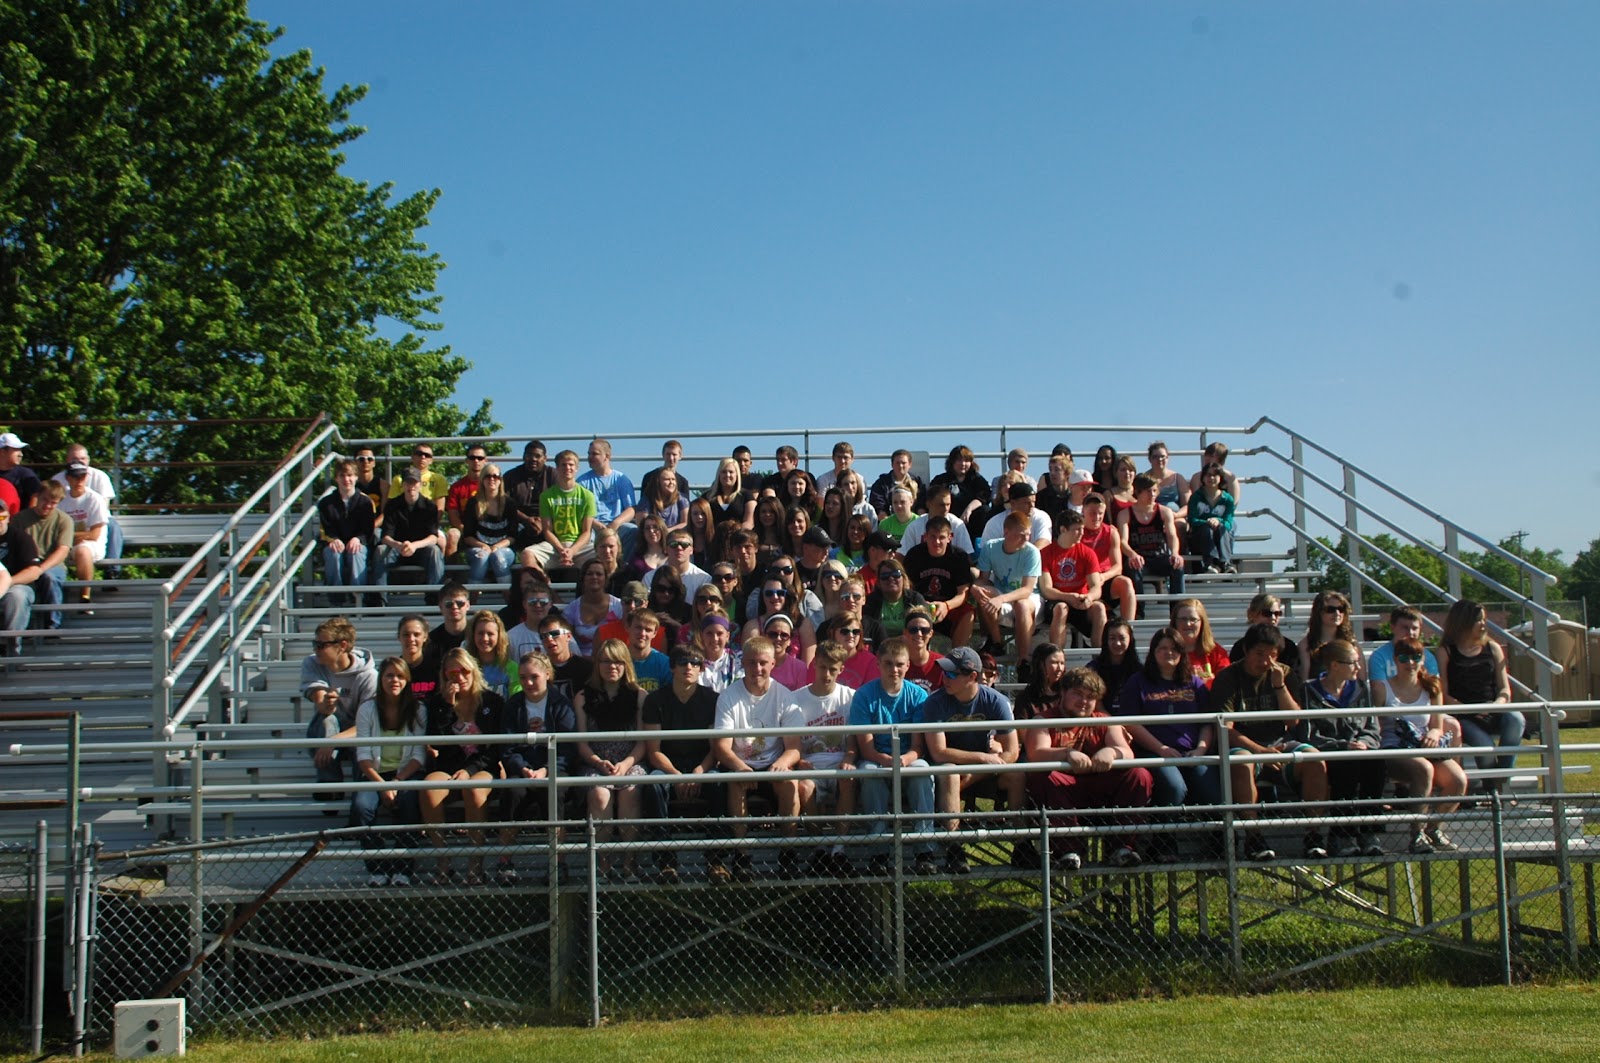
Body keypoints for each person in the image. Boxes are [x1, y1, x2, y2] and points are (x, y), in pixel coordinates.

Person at [1212, 624, 1326, 861]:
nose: (1265, 661)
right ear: (1246, 650)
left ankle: (1314, 835)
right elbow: (1225, 729)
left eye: (1272, 655)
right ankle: (1254, 837)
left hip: (1280, 744)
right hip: (1246, 746)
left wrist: (1279, 685)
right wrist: (1261, 751)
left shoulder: (1283, 673)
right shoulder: (1228, 677)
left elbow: (1293, 720)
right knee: (1242, 762)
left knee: (1315, 759)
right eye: (1260, 654)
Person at [1023, 667, 1153, 870]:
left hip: (1102, 790)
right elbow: (1036, 753)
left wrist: (1111, 752)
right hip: (1065, 792)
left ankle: (1122, 848)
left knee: (1140, 774)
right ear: (1063, 692)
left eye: (1091, 697)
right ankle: (1069, 850)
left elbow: (1126, 752)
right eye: (1078, 694)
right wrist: (1066, 754)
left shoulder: (1104, 721)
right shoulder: (1043, 720)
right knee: (1044, 777)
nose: (1084, 701)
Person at [1116, 627, 1218, 857]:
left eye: (1173, 648)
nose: (1168, 653)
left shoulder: (1194, 683)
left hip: (1192, 751)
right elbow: (1130, 723)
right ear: (1153, 652)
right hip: (1154, 751)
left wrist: (1201, 748)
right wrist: (1160, 748)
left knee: (1211, 787)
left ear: (1182, 652)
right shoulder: (1138, 682)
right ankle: (1163, 841)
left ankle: (1218, 841)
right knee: (1173, 787)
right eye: (1162, 648)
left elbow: (1207, 722)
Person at [924, 646, 1025, 874]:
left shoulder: (996, 701)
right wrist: (982, 758)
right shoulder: (935, 702)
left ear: (972, 677)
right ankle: (954, 847)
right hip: (950, 772)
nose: (945, 678)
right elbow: (939, 752)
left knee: (1017, 773)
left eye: (952, 674)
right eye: (944, 672)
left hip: (982, 772)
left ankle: (1022, 843)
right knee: (950, 772)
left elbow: (1012, 752)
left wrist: (979, 769)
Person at [713, 635, 806, 880]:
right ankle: (742, 856)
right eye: (752, 662)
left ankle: (788, 853)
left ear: (773, 664)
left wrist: (782, 763)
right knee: (736, 781)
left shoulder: (785, 696)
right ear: (743, 663)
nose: (758, 668)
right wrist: (741, 768)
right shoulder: (728, 696)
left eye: (763, 663)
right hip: (741, 762)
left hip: (772, 763)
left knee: (790, 782)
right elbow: (722, 747)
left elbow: (794, 747)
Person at [849, 638, 937, 875]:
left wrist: (905, 760)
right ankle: (879, 852)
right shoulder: (864, 696)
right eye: (888, 664)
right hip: (876, 757)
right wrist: (886, 761)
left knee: (922, 771)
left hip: (907, 757)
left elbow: (919, 746)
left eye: (899, 664)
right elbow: (866, 748)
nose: (894, 670)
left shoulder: (919, 696)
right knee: (870, 774)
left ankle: (924, 849)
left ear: (908, 665)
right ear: (878, 664)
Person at [1373, 636, 1465, 853]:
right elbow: (1373, 726)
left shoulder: (1432, 687)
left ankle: (1433, 829)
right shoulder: (1381, 688)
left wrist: (1434, 732)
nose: (1410, 663)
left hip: (1425, 748)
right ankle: (1417, 834)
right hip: (1394, 750)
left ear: (1423, 659)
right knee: (1423, 769)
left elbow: (1437, 724)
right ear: (1395, 660)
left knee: (1458, 779)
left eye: (1416, 657)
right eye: (1404, 658)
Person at [420, 649, 503, 884]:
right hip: (449, 765)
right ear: (445, 676)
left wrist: (470, 770)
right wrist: (448, 706)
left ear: (473, 671)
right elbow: (436, 742)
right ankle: (443, 860)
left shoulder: (492, 701)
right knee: (427, 788)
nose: (459, 677)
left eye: (464, 671)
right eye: (452, 673)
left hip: (482, 766)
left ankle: (475, 863)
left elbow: (495, 749)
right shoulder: (436, 703)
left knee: (474, 789)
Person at [494, 649, 577, 885]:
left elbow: (567, 747)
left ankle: (557, 864)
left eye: (534, 677)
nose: (528, 683)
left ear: (547, 675)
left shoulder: (561, 704)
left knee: (555, 793)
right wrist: (522, 768)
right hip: (523, 768)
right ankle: (505, 863)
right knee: (512, 793)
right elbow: (508, 746)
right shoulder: (513, 705)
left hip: (552, 767)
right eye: (523, 678)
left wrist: (547, 770)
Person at [1298, 638, 1385, 856]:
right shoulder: (1310, 691)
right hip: (1331, 754)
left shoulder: (1361, 689)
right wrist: (1342, 745)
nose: (1358, 667)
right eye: (1353, 662)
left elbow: (1373, 727)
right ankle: (1341, 833)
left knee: (1376, 762)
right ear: (1335, 665)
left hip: (1360, 751)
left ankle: (1368, 830)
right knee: (1346, 765)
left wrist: (1364, 743)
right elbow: (1309, 734)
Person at [643, 643, 721, 883]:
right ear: (672, 668)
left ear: (701, 668)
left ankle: (716, 860)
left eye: (695, 663)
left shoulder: (713, 699)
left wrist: (699, 771)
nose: (689, 667)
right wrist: (676, 775)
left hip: (704, 764)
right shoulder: (654, 700)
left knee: (721, 783)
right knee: (653, 785)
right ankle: (666, 861)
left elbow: (716, 748)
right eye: (683, 662)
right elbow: (653, 751)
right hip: (667, 765)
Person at [575, 638, 648, 880]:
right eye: (605, 661)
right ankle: (602, 862)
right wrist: (598, 762)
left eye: (617, 661)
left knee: (630, 791)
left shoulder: (639, 696)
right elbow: (582, 743)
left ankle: (629, 862)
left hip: (630, 760)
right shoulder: (583, 697)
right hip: (596, 761)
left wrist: (625, 764)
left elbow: (642, 742)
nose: (611, 666)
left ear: (626, 664)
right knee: (600, 794)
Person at [350, 656, 426, 886]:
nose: (394, 680)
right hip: (374, 774)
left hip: (405, 773)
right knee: (361, 808)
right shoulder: (367, 708)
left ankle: (403, 869)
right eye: (389, 675)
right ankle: (378, 867)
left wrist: (396, 782)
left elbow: (418, 756)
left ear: (407, 680)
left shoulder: (418, 708)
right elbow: (362, 756)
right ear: (381, 679)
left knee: (412, 804)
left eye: (400, 676)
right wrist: (382, 785)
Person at [790, 641, 860, 875]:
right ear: (814, 665)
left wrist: (849, 757)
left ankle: (839, 849)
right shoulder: (796, 699)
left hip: (840, 761)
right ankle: (820, 847)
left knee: (848, 779)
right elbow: (793, 744)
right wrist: (799, 760)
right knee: (804, 786)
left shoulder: (850, 697)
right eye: (822, 667)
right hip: (810, 764)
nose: (826, 674)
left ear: (841, 669)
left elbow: (852, 743)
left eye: (832, 668)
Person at [1436, 598, 1520, 782]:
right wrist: (1472, 710)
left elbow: (1505, 688)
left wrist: (1497, 705)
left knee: (1517, 719)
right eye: (1477, 620)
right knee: (1484, 744)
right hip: (1463, 713)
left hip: (1493, 708)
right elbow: (1443, 694)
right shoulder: (1446, 652)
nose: (1483, 624)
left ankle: (1502, 778)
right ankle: (1493, 787)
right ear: (1463, 622)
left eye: (1484, 619)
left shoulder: (1493, 648)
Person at [300, 617, 379, 795]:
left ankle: (363, 789)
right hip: (327, 728)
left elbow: (367, 723)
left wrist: (332, 741)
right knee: (327, 720)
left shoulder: (369, 676)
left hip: (359, 731)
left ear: (342, 645)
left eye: (321, 645)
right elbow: (322, 706)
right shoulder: (312, 663)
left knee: (366, 739)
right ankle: (330, 785)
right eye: (315, 643)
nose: (315, 649)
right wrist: (327, 703)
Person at [973, 512, 1041, 659]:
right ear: (1006, 532)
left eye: (1028, 535)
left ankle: (1023, 659)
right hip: (1003, 593)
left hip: (1029, 599)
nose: (1025, 539)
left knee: (1021, 605)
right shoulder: (991, 547)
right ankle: (996, 642)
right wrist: (975, 588)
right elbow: (983, 580)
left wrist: (1001, 599)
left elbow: (1027, 590)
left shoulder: (1032, 552)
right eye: (1021, 535)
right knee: (983, 592)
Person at [900, 515, 975, 648]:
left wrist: (946, 606)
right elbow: (907, 589)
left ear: (950, 537)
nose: (937, 542)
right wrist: (921, 604)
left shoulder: (959, 557)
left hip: (949, 605)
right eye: (933, 537)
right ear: (925, 537)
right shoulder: (914, 555)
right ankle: (916, 655)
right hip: (920, 605)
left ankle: (956, 656)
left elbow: (963, 594)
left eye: (941, 537)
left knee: (968, 612)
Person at [1039, 511, 1107, 648]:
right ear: (1063, 529)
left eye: (1083, 529)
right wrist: (1068, 597)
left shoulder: (1087, 553)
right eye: (1077, 529)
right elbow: (1046, 589)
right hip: (1057, 601)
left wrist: (1089, 597)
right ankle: (1057, 655)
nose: (1082, 533)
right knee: (1061, 608)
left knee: (1099, 607)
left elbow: (1096, 586)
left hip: (1081, 601)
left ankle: (1100, 656)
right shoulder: (1045, 553)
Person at [375, 467, 446, 590]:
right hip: (397, 549)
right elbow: (385, 536)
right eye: (408, 482)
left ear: (420, 484)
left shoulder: (430, 506)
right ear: (402, 484)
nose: (411, 486)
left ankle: (434, 600)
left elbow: (433, 537)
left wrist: (414, 545)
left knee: (434, 551)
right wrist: (399, 545)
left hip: (420, 549)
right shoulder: (392, 505)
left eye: (414, 482)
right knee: (381, 551)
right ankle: (379, 600)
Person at [528, 449, 598, 572]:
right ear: (557, 468)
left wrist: (572, 551)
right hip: (556, 546)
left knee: (604, 552)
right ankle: (543, 584)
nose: (567, 468)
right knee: (527, 554)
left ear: (576, 468)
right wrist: (562, 550)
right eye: (563, 465)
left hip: (580, 547)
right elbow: (547, 530)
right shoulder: (546, 496)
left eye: (571, 464)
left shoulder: (587, 496)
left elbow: (587, 532)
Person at [317, 458, 376, 602]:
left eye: (350, 475)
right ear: (336, 478)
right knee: (333, 554)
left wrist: (358, 539)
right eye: (342, 475)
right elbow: (325, 528)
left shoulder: (366, 502)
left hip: (357, 543)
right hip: (334, 542)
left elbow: (368, 529)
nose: (346, 479)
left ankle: (358, 599)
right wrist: (333, 539)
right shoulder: (326, 503)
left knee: (356, 553)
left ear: (356, 477)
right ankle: (336, 600)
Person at [15, 482, 71, 629]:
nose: (47, 505)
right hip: (26, 565)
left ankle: (53, 625)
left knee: (50, 577)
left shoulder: (64, 520)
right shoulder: (19, 519)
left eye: (53, 503)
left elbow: (63, 550)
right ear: (37, 497)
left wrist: (41, 568)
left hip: (52, 565)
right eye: (45, 500)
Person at [1118, 474, 1184, 600]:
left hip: (1159, 557)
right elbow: (1122, 541)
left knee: (1177, 565)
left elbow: (1172, 536)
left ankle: (1177, 609)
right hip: (1139, 558)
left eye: (1154, 491)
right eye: (1148, 491)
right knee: (1133, 566)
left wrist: (1175, 553)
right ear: (1138, 491)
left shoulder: (1164, 511)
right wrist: (1132, 555)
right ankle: (1139, 612)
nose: (1152, 495)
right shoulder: (1125, 514)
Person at [52, 442, 122, 559]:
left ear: (88, 460)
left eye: (83, 458)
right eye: (75, 458)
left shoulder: (100, 476)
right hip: (68, 519)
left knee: (112, 526)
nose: (79, 461)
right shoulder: (57, 479)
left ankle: (112, 569)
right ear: (67, 460)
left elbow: (104, 506)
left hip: (95, 519)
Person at [57, 462, 108, 610]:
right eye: (75, 477)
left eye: (83, 476)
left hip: (91, 544)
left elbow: (94, 534)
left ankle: (85, 596)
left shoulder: (95, 499)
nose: (79, 480)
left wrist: (68, 535)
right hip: (66, 542)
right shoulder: (61, 499)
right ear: (68, 478)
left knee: (82, 551)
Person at [578, 438, 639, 558]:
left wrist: (616, 523)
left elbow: (631, 509)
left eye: (594, 454)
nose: (590, 457)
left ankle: (623, 567)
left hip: (617, 525)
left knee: (634, 532)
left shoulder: (621, 479)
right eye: (589, 454)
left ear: (607, 456)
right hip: (592, 526)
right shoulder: (582, 482)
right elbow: (579, 510)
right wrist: (596, 524)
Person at [1079, 495, 1134, 626]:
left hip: (1104, 577)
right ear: (1083, 511)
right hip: (1083, 581)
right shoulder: (1077, 530)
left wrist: (1103, 576)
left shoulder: (1110, 532)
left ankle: (1128, 627)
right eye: (1092, 513)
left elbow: (1117, 567)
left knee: (1126, 582)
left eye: (1100, 513)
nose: (1097, 517)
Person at [0, 497, 45, 655]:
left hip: (18, 585)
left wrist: (6, 583)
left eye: (1, 516)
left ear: (8, 517)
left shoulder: (20, 537)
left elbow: (34, 571)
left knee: (16, 596)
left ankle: (11, 648)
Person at [461, 463, 516, 584]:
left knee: (498, 557)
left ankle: (509, 599)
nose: (492, 479)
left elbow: (512, 536)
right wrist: (484, 547)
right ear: (482, 479)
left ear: (500, 480)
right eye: (487, 476)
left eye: (495, 476)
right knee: (482, 557)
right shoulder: (473, 503)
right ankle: (472, 600)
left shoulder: (509, 503)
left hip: (503, 549)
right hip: (478, 548)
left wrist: (496, 547)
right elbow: (468, 536)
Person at [1230, 594, 1304, 682]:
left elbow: (1294, 681)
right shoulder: (1240, 647)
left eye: (1277, 613)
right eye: (1267, 613)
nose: (1273, 618)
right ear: (1252, 614)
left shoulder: (1289, 647)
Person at [503, 440, 556, 558]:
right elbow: (504, 503)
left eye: (538, 456)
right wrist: (526, 519)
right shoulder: (510, 476)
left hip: (547, 521)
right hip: (518, 520)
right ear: (523, 457)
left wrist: (542, 522)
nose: (533, 459)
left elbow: (560, 502)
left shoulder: (553, 475)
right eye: (529, 455)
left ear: (545, 458)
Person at [895, 482, 976, 556]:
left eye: (948, 504)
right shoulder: (915, 526)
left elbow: (966, 555)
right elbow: (901, 555)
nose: (945, 509)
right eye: (941, 505)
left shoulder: (957, 525)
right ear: (929, 504)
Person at [562, 558, 623, 657]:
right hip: (582, 662)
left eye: (599, 574)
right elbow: (567, 641)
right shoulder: (571, 610)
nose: (594, 577)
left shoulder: (619, 606)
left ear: (606, 579)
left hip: (613, 659)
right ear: (583, 578)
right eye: (590, 574)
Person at [1299, 591, 1365, 681]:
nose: (1337, 613)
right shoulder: (1306, 645)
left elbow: (1362, 680)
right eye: (1330, 610)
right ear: (1319, 612)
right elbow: (1304, 681)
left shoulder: (1352, 644)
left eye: (1341, 609)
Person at [443, 443, 491, 559]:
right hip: (464, 529)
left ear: (486, 460)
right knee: (452, 534)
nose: (476, 461)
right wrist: (465, 529)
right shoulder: (457, 487)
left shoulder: (493, 485)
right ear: (466, 461)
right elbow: (452, 513)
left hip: (488, 528)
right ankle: (451, 575)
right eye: (472, 458)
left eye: (480, 458)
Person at [1367, 605, 1440, 681]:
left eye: (1414, 628)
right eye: (1405, 628)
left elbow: (1434, 687)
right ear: (1392, 628)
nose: (1410, 633)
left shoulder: (1428, 657)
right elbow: (1378, 690)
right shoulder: (1379, 657)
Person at [1186, 462, 1235, 573]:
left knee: (1222, 528)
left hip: (1220, 536)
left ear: (1220, 478)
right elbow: (1192, 520)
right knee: (1207, 530)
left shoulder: (1228, 499)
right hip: (1199, 538)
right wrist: (1207, 522)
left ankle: (1225, 563)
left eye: (1215, 475)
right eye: (1208, 475)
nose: (1211, 478)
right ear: (1203, 477)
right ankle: (1210, 563)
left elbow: (1228, 522)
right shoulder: (1196, 497)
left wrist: (1218, 521)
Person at [1171, 598, 1231, 687]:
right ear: (1174, 622)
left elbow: (1227, 682)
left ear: (1202, 622)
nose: (1188, 623)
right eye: (1183, 619)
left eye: (1193, 619)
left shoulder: (1217, 652)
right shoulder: (1167, 651)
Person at [863, 557, 928, 639]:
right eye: (885, 576)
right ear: (878, 583)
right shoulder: (870, 601)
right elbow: (868, 632)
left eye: (896, 574)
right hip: (880, 647)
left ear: (904, 579)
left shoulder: (915, 599)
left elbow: (924, 628)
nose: (891, 578)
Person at [929, 445, 989, 535]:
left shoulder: (977, 479)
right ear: (952, 462)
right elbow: (930, 496)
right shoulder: (941, 480)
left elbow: (984, 496)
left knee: (984, 510)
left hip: (970, 520)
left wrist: (969, 509)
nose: (963, 464)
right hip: (946, 518)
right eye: (959, 460)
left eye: (966, 460)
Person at [538, 614, 594, 703]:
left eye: (554, 633)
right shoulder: (539, 670)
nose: (549, 639)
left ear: (568, 636)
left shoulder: (586, 668)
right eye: (543, 636)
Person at [1089, 619, 1141, 714]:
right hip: (1102, 722)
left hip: (1133, 723)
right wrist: (1114, 725)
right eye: (1112, 638)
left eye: (1122, 638)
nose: (1117, 643)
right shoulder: (1093, 669)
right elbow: (1095, 703)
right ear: (1106, 640)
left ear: (1130, 639)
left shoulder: (1139, 670)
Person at [980, 480, 1052, 548]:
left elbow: (1044, 541)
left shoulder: (1041, 517)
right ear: (1013, 503)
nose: (1032, 506)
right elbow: (986, 549)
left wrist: (1029, 557)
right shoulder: (995, 523)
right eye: (1027, 502)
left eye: (1033, 502)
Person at [466, 609, 520, 699]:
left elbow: (516, 701)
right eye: (480, 633)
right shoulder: (466, 668)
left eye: (490, 634)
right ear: (473, 635)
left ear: (499, 636)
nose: (485, 638)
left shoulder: (512, 668)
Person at [644, 530, 710, 599]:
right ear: (666, 549)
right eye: (673, 544)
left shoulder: (704, 579)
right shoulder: (650, 577)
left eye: (684, 545)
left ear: (691, 550)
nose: (679, 548)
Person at [506, 574, 555, 660]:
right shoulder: (511, 637)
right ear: (524, 604)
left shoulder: (561, 635)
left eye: (543, 602)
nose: (538, 606)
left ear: (550, 604)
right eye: (532, 602)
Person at [1144, 440, 1191, 529]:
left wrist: (1176, 515)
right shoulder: (1144, 479)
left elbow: (1187, 505)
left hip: (1176, 516)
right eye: (1155, 457)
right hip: (1151, 517)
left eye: (1162, 456)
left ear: (1168, 458)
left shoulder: (1178, 478)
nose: (1160, 459)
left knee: (1180, 525)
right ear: (1149, 459)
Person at [868, 449, 927, 519]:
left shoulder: (918, 483)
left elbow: (922, 504)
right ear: (892, 465)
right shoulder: (881, 484)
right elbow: (878, 505)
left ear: (910, 464)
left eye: (903, 463)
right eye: (897, 463)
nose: (900, 466)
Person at [1016, 643, 1068, 721]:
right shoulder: (1025, 698)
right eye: (1054, 663)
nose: (1060, 668)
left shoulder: (1067, 694)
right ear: (1040, 664)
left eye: (1062, 663)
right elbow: (1023, 730)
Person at [898, 607, 945, 692]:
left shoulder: (942, 665)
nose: (919, 634)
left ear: (931, 633)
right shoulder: (896, 664)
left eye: (924, 630)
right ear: (905, 632)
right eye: (913, 630)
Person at [693, 613, 744, 693]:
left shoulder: (739, 659)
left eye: (719, 633)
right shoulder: (693, 661)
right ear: (702, 636)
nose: (715, 639)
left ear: (727, 636)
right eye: (709, 633)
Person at [639, 439, 693, 512]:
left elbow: (685, 508)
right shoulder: (649, 477)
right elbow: (643, 504)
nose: (671, 458)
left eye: (674, 454)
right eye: (668, 454)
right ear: (663, 455)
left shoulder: (683, 482)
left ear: (680, 456)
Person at [625, 610, 672, 693]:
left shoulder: (665, 663)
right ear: (627, 627)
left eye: (648, 630)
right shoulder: (618, 660)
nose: (642, 633)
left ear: (655, 633)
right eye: (638, 627)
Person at [395, 613, 438, 701]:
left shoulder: (437, 669)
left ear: (425, 637)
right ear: (399, 637)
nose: (411, 639)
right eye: (406, 635)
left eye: (416, 634)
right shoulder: (393, 670)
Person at [704, 456, 755, 528]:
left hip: (739, 537)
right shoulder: (707, 496)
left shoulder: (747, 495)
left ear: (737, 475)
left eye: (731, 472)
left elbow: (749, 522)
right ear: (719, 474)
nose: (727, 475)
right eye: (724, 472)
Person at [0, 433, 42, 509]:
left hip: (19, 520)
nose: (21, 454)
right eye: (16, 449)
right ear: (3, 452)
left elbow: (37, 496)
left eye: (20, 450)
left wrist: (27, 518)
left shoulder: (26, 475)